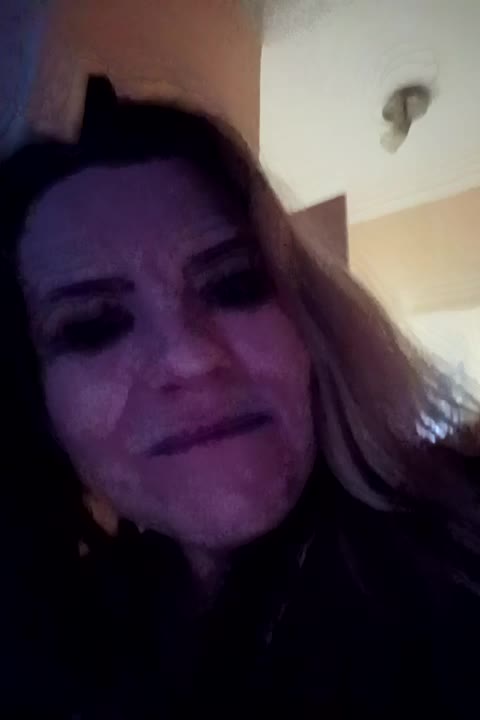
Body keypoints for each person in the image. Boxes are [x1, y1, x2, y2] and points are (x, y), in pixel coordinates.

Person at [1, 75, 479, 719]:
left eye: (234, 284)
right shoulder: (64, 636)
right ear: (38, 407)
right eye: (92, 325)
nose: (190, 356)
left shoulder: (458, 556)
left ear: (309, 325)